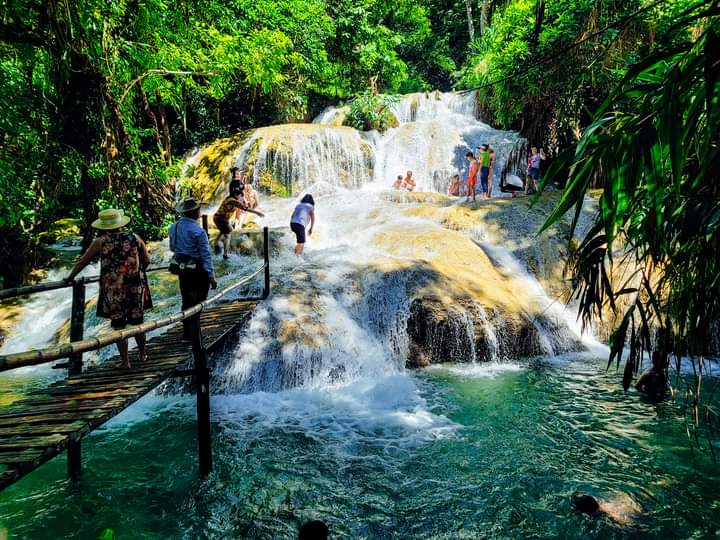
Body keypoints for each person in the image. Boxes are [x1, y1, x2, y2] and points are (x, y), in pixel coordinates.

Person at [64, 209, 152, 369]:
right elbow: (147, 260)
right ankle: (142, 353)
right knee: (138, 322)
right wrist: (137, 273)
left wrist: (70, 277)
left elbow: (83, 261)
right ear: (120, 223)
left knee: (118, 325)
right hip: (134, 287)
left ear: (103, 226)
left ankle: (125, 361)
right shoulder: (135, 238)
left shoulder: (100, 242)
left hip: (113, 289)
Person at [170, 198, 217, 341]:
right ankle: (195, 334)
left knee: (186, 299)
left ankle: (187, 333)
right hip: (197, 270)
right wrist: (211, 275)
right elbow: (205, 255)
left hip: (182, 269)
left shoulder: (174, 227)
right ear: (195, 212)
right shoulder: (199, 231)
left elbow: (172, 248)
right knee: (199, 301)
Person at [213, 194, 245, 260]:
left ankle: (216, 244)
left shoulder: (230, 198)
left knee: (225, 231)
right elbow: (246, 208)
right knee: (228, 234)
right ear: (237, 195)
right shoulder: (233, 200)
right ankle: (225, 254)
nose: (242, 198)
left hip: (219, 217)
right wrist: (258, 213)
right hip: (221, 218)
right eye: (241, 196)